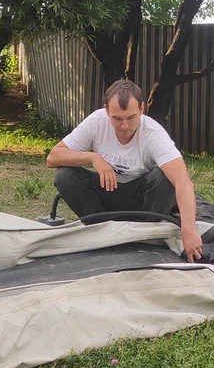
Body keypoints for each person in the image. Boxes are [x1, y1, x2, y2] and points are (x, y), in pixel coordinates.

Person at [45, 79, 203, 262]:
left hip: (142, 201)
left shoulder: (154, 134)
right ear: (106, 110)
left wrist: (188, 229)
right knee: (65, 175)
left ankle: (144, 237)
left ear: (142, 109)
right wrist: (93, 157)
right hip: (106, 193)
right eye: (117, 119)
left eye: (131, 117)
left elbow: (183, 182)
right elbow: (53, 157)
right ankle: (101, 231)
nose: (125, 126)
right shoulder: (96, 121)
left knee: (165, 177)